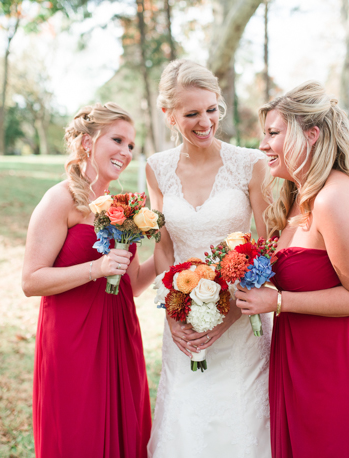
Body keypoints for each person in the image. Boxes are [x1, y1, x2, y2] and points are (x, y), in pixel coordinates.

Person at [235, 80, 349, 457]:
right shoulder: (295, 196)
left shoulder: (334, 197)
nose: (263, 145)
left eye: (273, 133)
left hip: (339, 365)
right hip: (298, 359)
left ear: (311, 135)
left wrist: (278, 302)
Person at [144, 59, 272, 458]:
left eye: (212, 109)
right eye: (192, 113)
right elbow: (164, 248)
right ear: (169, 115)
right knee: (186, 418)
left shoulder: (251, 164)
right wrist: (172, 312)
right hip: (183, 322)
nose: (205, 122)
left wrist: (231, 313)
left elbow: (268, 247)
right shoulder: (157, 168)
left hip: (242, 317)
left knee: (240, 420)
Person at [22, 103, 155, 457]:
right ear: (86, 142)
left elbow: (134, 283)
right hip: (73, 338)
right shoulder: (60, 199)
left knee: (126, 434)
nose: (126, 152)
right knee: (79, 433)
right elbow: (31, 281)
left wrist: (167, 253)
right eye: (117, 140)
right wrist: (95, 269)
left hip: (120, 334)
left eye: (131, 145)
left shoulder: (123, 210)